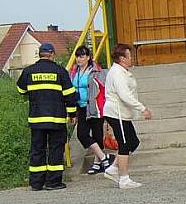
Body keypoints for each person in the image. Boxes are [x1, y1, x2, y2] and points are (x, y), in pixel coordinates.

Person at [16, 42, 78, 191]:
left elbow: (20, 90)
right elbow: (70, 95)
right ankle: (53, 182)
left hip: (36, 119)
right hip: (56, 118)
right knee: (55, 149)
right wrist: (72, 114)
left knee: (37, 149)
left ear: (39, 54)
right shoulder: (60, 71)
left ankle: (36, 183)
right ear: (52, 54)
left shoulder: (29, 71)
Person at [102, 44, 152, 189]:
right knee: (124, 144)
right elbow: (124, 95)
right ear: (122, 58)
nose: (132, 59)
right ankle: (124, 178)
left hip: (123, 114)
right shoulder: (117, 73)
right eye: (129, 56)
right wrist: (142, 108)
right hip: (116, 113)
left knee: (133, 142)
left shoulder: (122, 72)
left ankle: (112, 169)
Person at [70, 45, 114, 174]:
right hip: (81, 107)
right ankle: (103, 157)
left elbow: (103, 87)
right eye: (77, 56)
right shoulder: (73, 71)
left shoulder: (96, 71)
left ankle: (97, 163)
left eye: (82, 56)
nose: (79, 59)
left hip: (94, 107)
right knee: (82, 134)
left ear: (88, 57)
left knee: (97, 135)